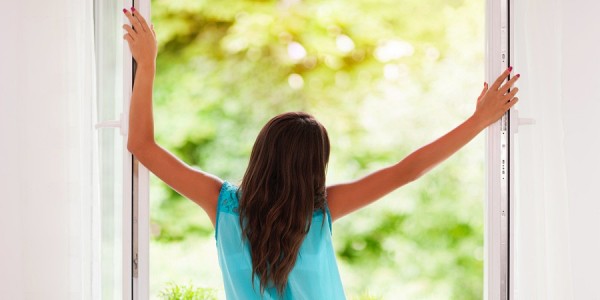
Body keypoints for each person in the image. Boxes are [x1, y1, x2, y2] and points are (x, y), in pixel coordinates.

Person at [122, 7, 520, 300]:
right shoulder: (322, 208)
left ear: (260, 154)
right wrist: (478, 120)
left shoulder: (222, 204)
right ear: (315, 168)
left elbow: (141, 146)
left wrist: (149, 65)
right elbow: (407, 170)